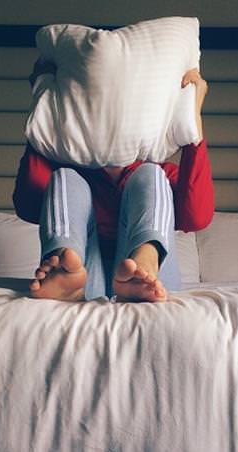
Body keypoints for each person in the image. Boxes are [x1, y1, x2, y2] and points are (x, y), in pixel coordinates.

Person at [13, 61, 214, 302]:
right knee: (65, 177)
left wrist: (192, 112)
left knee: (150, 175)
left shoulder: (159, 174)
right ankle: (64, 271)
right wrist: (44, 97)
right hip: (86, 279)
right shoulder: (73, 175)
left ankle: (145, 262)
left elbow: (197, 217)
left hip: (151, 281)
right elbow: (28, 205)